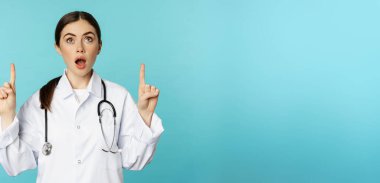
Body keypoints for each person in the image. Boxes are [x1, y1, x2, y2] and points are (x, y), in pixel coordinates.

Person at [0, 11, 164, 183]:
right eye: (70, 40)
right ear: (58, 47)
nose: (80, 48)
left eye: (88, 39)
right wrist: (6, 116)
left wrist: (145, 116)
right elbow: (14, 165)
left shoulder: (118, 97)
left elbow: (135, 161)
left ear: (99, 46)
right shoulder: (40, 100)